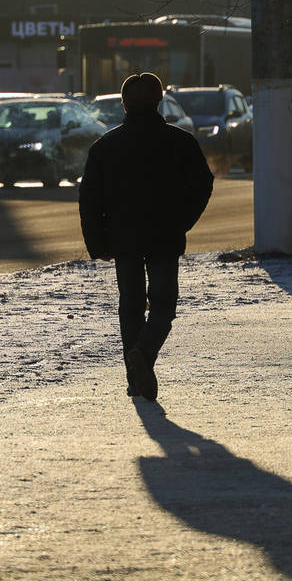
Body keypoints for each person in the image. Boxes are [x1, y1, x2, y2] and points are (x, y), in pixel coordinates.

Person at [79, 72, 214, 401]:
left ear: (123, 104)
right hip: (165, 237)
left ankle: (134, 375)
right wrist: (182, 221)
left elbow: (89, 200)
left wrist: (99, 244)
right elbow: (202, 185)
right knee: (164, 306)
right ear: (160, 101)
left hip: (122, 239)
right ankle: (143, 354)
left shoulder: (105, 146)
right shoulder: (181, 142)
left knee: (131, 305)